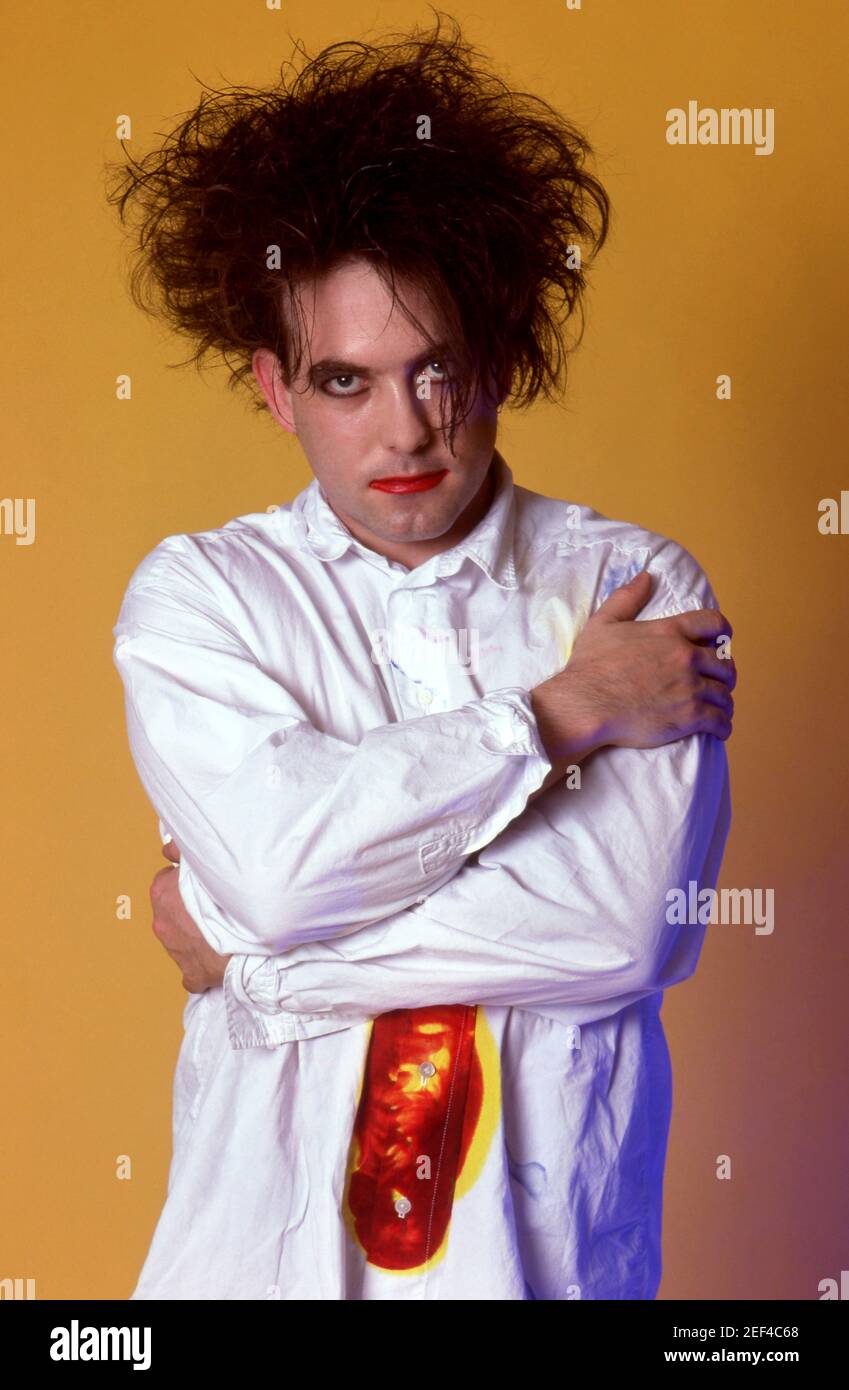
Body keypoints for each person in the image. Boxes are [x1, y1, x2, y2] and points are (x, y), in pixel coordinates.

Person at [107, 12, 735, 1299]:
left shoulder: (636, 591)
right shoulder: (201, 598)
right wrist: (552, 716)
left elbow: (618, 933)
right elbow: (281, 872)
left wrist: (255, 959)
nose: (405, 428)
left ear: (499, 355)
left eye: (438, 369)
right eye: (345, 382)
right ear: (275, 387)